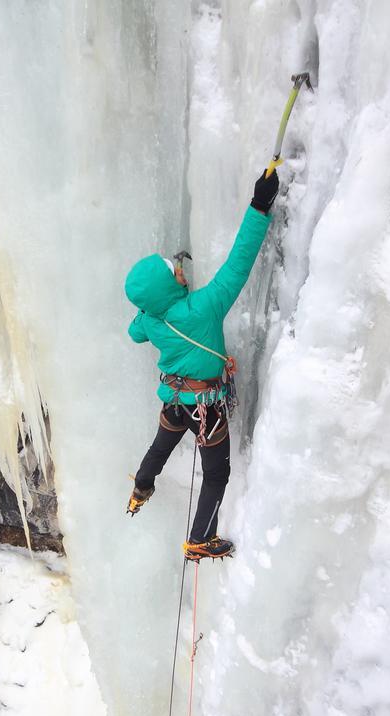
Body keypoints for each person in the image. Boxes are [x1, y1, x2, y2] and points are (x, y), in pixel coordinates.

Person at [123, 168, 280, 561]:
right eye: (174, 271)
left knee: (161, 446)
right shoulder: (203, 308)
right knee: (216, 475)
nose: (180, 272)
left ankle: (142, 487)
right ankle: (200, 538)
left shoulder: (150, 321)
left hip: (175, 401)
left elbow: (134, 331)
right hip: (204, 407)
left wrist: (149, 308)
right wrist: (260, 206)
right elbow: (237, 266)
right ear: (167, 286)